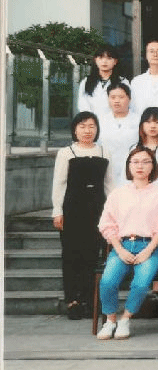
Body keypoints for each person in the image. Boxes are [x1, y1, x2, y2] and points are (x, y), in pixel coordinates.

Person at [96, 146, 158, 340]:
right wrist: (119, 249)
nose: (140, 166)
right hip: (121, 246)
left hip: (150, 247)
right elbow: (107, 224)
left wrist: (148, 250)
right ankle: (110, 321)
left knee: (141, 283)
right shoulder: (118, 194)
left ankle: (125, 319)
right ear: (128, 166)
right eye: (135, 162)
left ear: (153, 166)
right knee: (107, 282)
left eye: (146, 162)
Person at [52, 112, 116, 320]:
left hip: (97, 210)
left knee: (92, 254)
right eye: (82, 126)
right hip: (72, 209)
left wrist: (114, 212)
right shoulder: (66, 152)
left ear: (97, 129)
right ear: (75, 129)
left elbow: (110, 184)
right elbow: (59, 183)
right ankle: (73, 300)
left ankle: (90, 300)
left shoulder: (105, 151)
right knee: (71, 255)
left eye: (91, 126)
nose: (87, 130)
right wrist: (57, 211)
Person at [98, 82, 140, 185]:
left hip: (133, 170)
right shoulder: (101, 121)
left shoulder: (138, 120)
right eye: (112, 97)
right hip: (106, 170)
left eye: (121, 97)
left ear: (129, 99)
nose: (116, 101)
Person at [77, 46, 130, 118]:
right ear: (95, 60)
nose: (104, 61)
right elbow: (83, 105)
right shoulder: (86, 82)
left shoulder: (123, 82)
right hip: (92, 122)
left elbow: (126, 105)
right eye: (101, 58)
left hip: (115, 121)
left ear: (115, 61)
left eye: (109, 58)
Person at [130, 40, 158, 114]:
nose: (155, 55)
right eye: (151, 51)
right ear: (146, 56)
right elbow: (132, 107)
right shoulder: (136, 81)